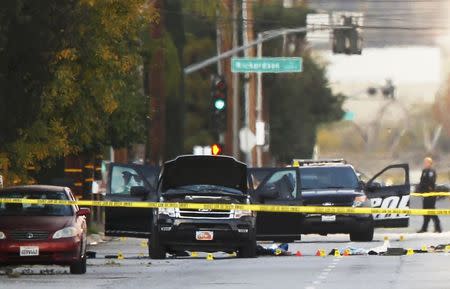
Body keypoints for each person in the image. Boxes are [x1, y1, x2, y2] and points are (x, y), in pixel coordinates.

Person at [417, 157, 442, 233]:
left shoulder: (431, 171)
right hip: (425, 194)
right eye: (424, 162)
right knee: (425, 211)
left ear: (430, 163)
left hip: (430, 194)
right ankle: (424, 228)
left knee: (431, 210)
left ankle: (438, 227)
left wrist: (425, 187)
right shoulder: (424, 171)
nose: (425, 164)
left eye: (426, 162)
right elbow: (422, 181)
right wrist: (419, 189)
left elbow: (431, 182)